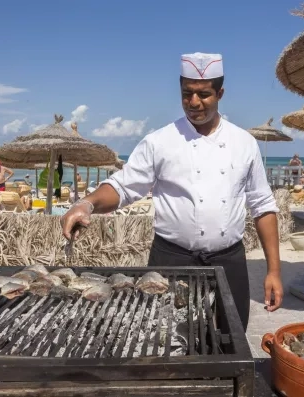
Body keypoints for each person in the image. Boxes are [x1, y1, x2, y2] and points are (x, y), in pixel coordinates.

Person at [61, 52, 283, 330]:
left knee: (232, 336)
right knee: (168, 337)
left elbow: (263, 206)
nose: (193, 102)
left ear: (220, 93)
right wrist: (87, 204)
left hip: (229, 261)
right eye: (186, 93)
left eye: (204, 94)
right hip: (171, 259)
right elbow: (124, 186)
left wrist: (273, 270)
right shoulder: (160, 141)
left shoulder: (244, 143)